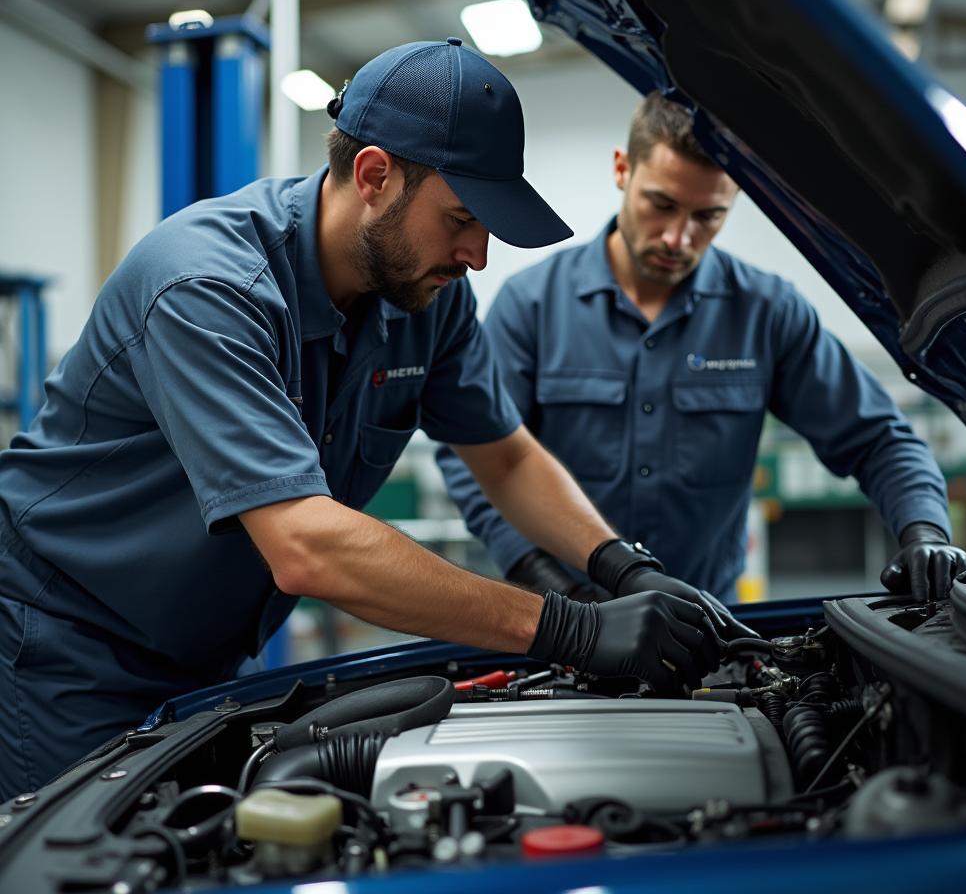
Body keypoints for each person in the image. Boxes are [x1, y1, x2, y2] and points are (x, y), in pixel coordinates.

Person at [0, 42, 728, 800]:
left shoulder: (427, 300)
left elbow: (504, 456)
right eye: (461, 218)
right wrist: (572, 631)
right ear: (375, 176)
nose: (478, 254)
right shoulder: (206, 288)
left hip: (203, 657)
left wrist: (621, 566)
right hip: (63, 648)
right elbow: (307, 547)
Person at [437, 91, 966, 609]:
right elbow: (475, 457)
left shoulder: (766, 312)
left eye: (707, 216)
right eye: (661, 205)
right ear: (623, 169)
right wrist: (546, 577)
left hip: (710, 634)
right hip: (562, 622)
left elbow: (879, 438)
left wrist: (922, 528)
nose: (678, 238)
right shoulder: (531, 305)